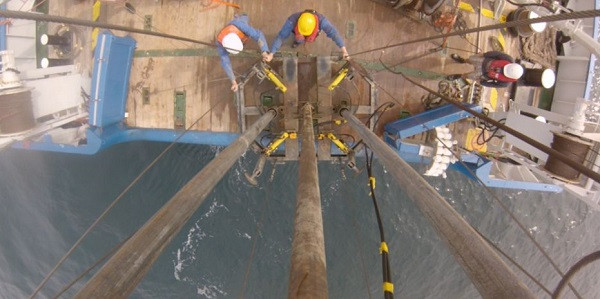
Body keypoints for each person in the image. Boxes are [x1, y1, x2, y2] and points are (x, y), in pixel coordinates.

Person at [216, 14, 271, 92]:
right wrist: (233, 81)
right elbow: (225, 62)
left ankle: (243, 15)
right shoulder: (220, 43)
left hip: (239, 23)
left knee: (245, 18)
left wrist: (264, 51)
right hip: (236, 34)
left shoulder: (240, 25)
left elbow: (258, 35)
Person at [267, 9, 349, 60]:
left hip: (311, 34)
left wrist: (344, 51)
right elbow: (281, 36)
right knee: (299, 39)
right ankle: (298, 42)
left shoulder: (322, 21)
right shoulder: (292, 20)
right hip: (298, 34)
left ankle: (303, 40)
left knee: (305, 38)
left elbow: (334, 34)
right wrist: (271, 54)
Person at [447, 51, 524, 88]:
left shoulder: (506, 83)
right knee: (470, 59)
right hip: (485, 61)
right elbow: (496, 54)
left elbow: (493, 85)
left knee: (469, 76)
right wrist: (484, 55)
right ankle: (463, 60)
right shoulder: (509, 59)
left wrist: (482, 83)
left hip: (484, 74)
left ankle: (460, 76)